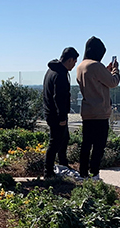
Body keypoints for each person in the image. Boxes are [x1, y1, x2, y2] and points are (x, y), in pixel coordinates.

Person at [76, 36, 120, 179]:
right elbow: (113, 82)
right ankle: (94, 172)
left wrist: (104, 71)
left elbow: (96, 79)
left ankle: (83, 172)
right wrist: (115, 70)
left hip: (87, 111)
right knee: (99, 145)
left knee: (86, 144)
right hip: (100, 111)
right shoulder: (95, 65)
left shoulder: (81, 66)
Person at [42, 47, 78, 178]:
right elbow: (60, 98)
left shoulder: (51, 71)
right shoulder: (60, 75)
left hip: (51, 112)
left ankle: (63, 163)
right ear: (69, 60)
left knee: (63, 139)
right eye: (74, 62)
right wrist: (62, 117)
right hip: (56, 115)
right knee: (55, 142)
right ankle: (48, 172)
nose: (74, 65)